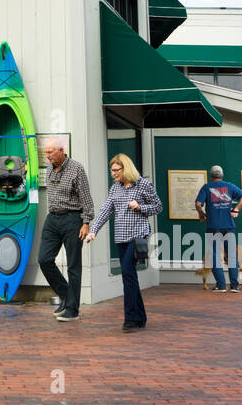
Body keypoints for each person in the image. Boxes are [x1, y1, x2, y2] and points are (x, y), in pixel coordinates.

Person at [86, 154, 160, 331]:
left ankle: (131, 319)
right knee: (130, 275)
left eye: (116, 170)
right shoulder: (115, 188)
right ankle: (140, 316)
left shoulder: (143, 184)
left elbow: (158, 206)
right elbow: (105, 210)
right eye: (111, 171)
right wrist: (93, 230)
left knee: (127, 272)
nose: (113, 174)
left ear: (126, 168)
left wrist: (140, 206)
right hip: (121, 237)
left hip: (138, 235)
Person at [37, 141, 95, 321]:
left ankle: (73, 310)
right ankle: (66, 295)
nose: (48, 156)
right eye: (46, 153)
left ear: (62, 151)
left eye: (51, 152)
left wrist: (86, 223)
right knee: (44, 259)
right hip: (52, 218)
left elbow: (86, 198)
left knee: (73, 266)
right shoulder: (49, 168)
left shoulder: (76, 168)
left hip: (72, 219)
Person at [195, 165, 242, 292]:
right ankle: (234, 286)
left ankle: (221, 285)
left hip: (213, 227)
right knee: (232, 256)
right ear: (222, 175)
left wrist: (201, 214)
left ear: (211, 175)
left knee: (215, 256)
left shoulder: (207, 187)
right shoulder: (230, 186)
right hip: (229, 226)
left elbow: (198, 204)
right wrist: (236, 210)